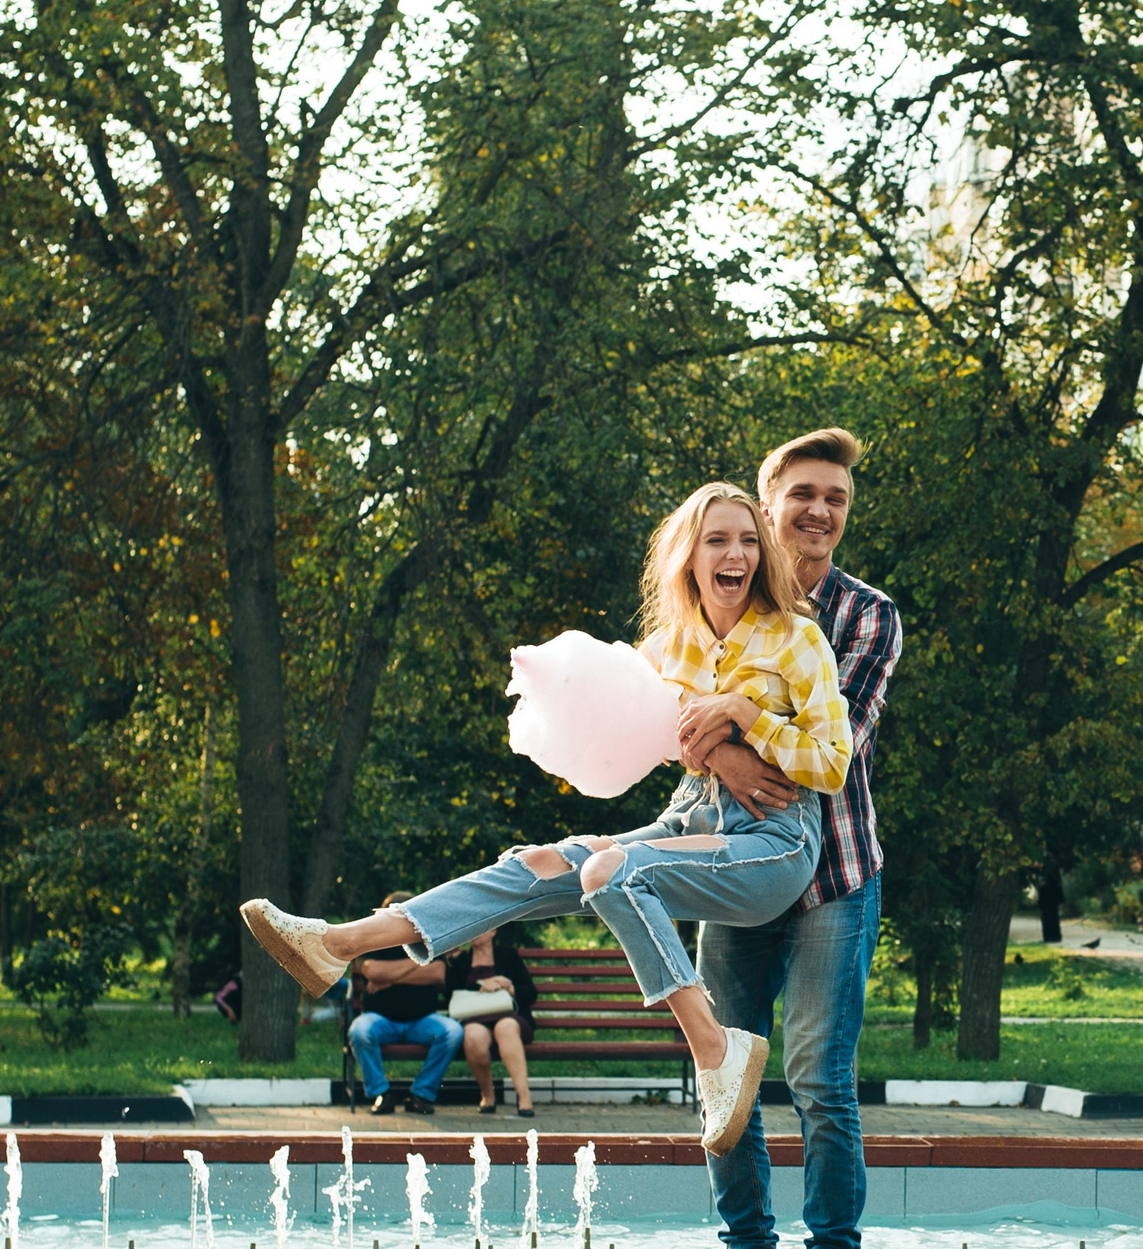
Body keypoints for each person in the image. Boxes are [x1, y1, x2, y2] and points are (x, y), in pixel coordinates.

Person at [240, 480, 855, 1159]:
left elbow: (831, 764)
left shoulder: (796, 639)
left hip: (774, 840)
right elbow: (642, 745)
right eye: (717, 539)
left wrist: (745, 717)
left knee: (611, 871)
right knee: (537, 863)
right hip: (688, 821)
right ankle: (336, 944)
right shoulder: (663, 650)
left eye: (746, 539)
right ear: (689, 556)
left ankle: (716, 1049)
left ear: (762, 554)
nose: (734, 552)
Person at [674, 428, 899, 1249]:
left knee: (817, 1076)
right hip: (729, 873)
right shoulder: (705, 608)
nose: (819, 511)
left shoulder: (867, 616)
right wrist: (723, 758)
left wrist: (728, 723)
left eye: (835, 498)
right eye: (802, 493)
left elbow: (831, 751)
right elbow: (664, 724)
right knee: (724, 1068)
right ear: (766, 507)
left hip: (832, 877)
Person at [346, 890, 463, 1115]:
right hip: (379, 1020)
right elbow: (371, 970)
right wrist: (418, 966)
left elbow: (437, 972)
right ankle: (381, 1094)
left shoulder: (426, 940)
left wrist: (388, 979)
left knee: (453, 1032)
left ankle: (421, 1095)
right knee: (359, 1031)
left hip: (422, 1021)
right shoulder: (373, 942)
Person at [451, 924, 538, 1116]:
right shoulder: (462, 960)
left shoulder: (508, 955)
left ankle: (524, 1097)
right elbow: (452, 994)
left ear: (493, 931)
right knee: (473, 1035)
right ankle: (488, 1096)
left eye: (480, 928)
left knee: (505, 1027)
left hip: (511, 1017)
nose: (474, 932)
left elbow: (530, 994)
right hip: (475, 1018)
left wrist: (508, 987)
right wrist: (482, 985)